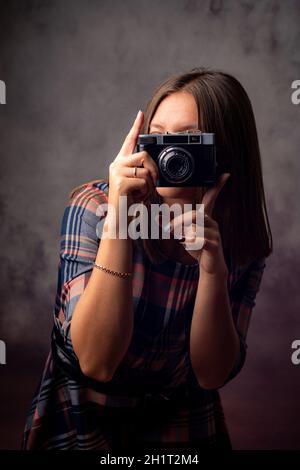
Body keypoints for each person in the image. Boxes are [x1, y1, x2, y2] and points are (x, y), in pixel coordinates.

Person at [22, 67, 272, 451]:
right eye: (159, 136)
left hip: (181, 418)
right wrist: (120, 222)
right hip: (83, 414)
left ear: (226, 151)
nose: (170, 153)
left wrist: (211, 269)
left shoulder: (239, 237)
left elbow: (211, 374)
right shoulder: (95, 207)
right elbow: (96, 362)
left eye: (189, 139)